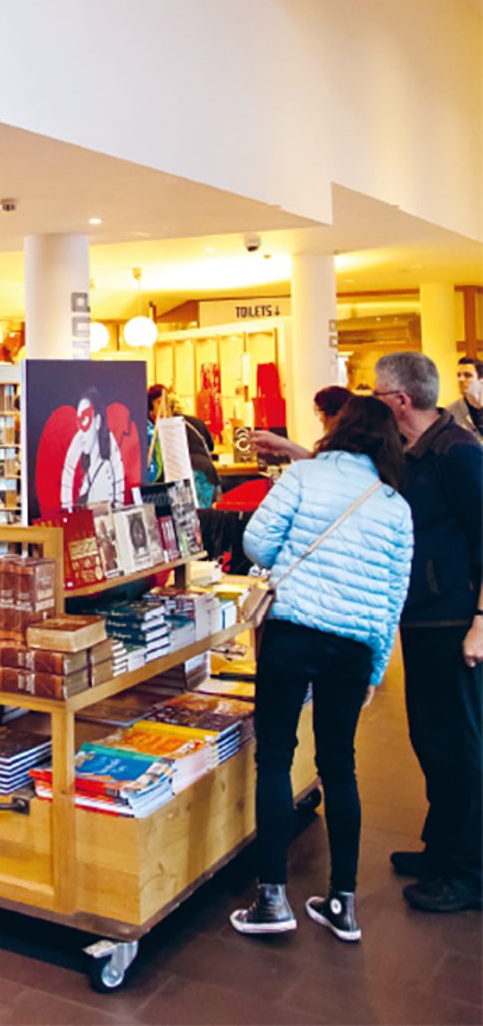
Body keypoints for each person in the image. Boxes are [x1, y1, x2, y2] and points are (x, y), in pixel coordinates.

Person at [230, 397, 413, 942]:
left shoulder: (303, 476)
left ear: (338, 429)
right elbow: (392, 598)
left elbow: (256, 541)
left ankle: (271, 899)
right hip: (354, 646)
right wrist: (376, 669)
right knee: (340, 765)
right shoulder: (394, 504)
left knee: (276, 757)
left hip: (292, 632)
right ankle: (344, 903)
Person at [373, 351, 483, 913]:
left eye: (377, 393)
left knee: (462, 746)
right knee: (431, 739)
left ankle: (470, 872)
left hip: (455, 622)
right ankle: (441, 848)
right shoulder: (415, 452)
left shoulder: (458, 454)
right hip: (421, 617)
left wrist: (480, 623)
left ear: (400, 399)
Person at [60, 389, 124, 508]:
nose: (81, 432)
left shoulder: (104, 472)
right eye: (78, 422)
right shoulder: (89, 471)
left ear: (97, 421)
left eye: (85, 419)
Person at [448, 355, 483, 442]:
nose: (461, 379)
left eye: (467, 375)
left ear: (481, 379)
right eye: (459, 375)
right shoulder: (450, 413)